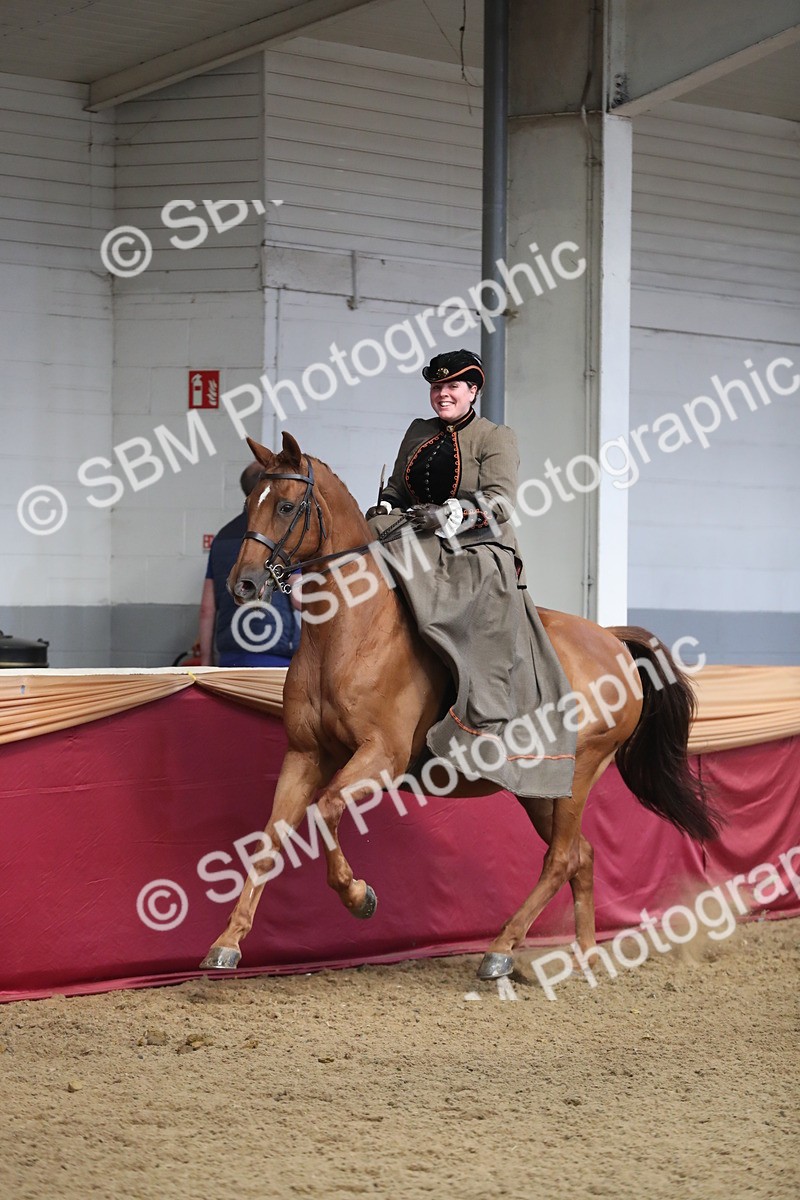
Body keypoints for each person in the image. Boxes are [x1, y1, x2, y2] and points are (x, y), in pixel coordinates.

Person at [365, 348, 576, 800]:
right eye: (437, 387)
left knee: (472, 610)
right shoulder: (417, 431)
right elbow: (399, 486)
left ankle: (478, 719)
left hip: (475, 545)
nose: (443, 394)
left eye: (452, 387)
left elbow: (500, 502)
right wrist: (386, 504)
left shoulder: (495, 436)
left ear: (472, 391)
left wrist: (448, 513)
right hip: (410, 535)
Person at [199, 462, 300, 667]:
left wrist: (205, 661)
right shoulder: (281, 536)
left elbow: (207, 610)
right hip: (275, 656)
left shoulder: (222, 537)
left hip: (230, 656)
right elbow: (300, 600)